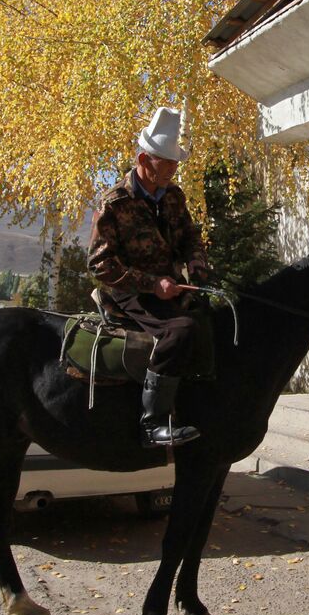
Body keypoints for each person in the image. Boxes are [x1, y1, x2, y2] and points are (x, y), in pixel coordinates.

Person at [88, 107, 212, 447]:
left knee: (208, 321)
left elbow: (190, 238)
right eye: (167, 162)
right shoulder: (113, 203)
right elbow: (100, 264)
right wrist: (151, 284)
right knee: (180, 330)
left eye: (175, 163)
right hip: (129, 292)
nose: (174, 169)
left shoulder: (173, 196)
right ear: (145, 158)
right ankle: (152, 424)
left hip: (170, 286)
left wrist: (197, 268)